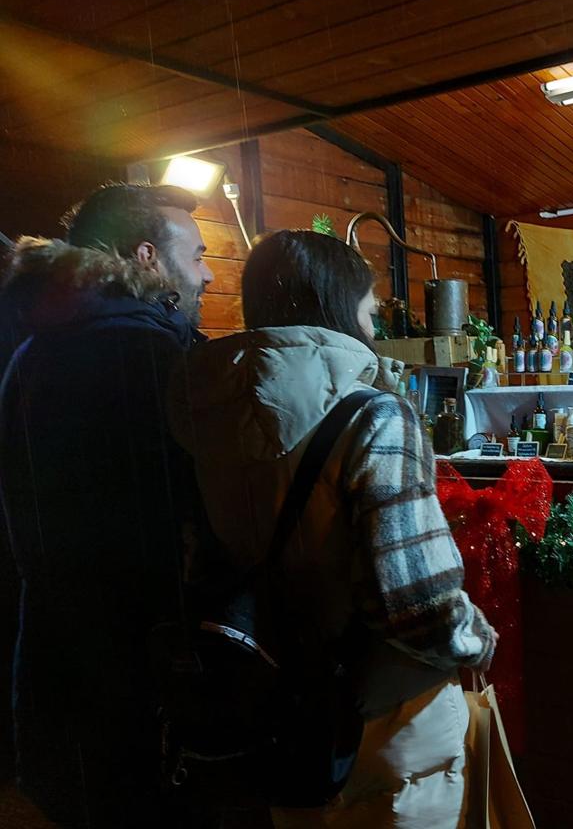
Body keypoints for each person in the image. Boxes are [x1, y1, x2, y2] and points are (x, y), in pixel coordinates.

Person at [166, 229, 495, 829]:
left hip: (278, 702)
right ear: (342, 310)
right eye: (369, 311)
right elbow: (414, 599)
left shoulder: (205, 410)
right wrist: (474, 638)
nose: (373, 328)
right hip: (385, 709)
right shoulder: (374, 415)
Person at [0, 183, 212, 827]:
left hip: (54, 662)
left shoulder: (35, 350)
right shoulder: (149, 354)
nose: (206, 272)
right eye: (198, 254)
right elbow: (183, 526)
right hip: (141, 678)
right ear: (148, 256)